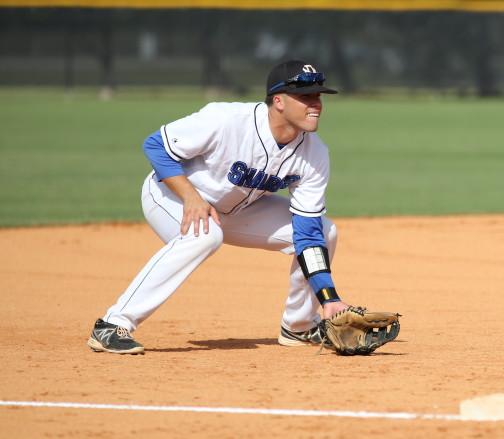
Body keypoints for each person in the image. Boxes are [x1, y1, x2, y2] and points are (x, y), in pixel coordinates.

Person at [88, 59, 387, 355]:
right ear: (279, 101)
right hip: (171, 194)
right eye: (306, 96)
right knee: (204, 236)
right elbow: (156, 145)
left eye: (318, 95)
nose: (316, 103)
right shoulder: (226, 119)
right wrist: (191, 197)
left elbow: (308, 234)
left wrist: (329, 298)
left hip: (240, 211)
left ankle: (298, 327)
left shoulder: (315, 154)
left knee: (325, 230)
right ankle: (112, 325)